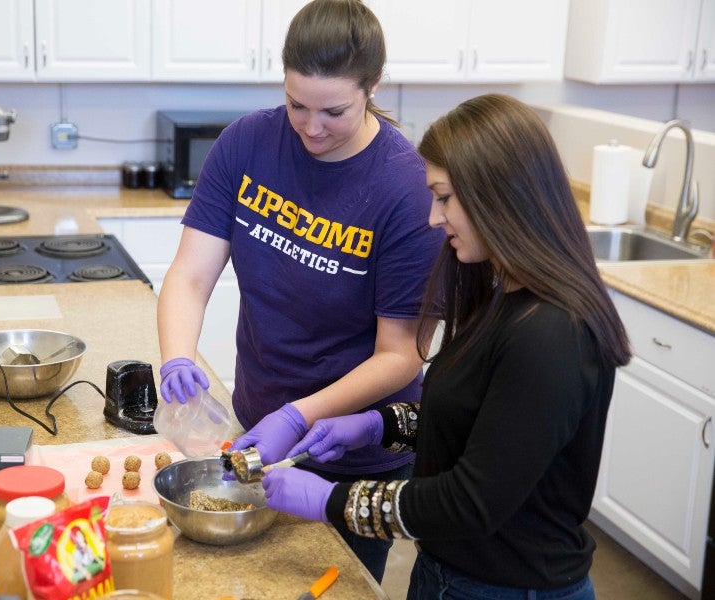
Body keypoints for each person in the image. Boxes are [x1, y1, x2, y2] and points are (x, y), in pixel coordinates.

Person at [260, 93, 632, 600]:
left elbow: (470, 502)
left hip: (508, 589)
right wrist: (380, 425)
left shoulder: (552, 334)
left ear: (499, 195)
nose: (434, 219)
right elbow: (480, 420)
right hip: (448, 576)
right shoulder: (506, 295)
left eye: (445, 197)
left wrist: (333, 500)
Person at [156, 0, 443, 581]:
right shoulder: (247, 144)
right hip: (253, 431)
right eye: (296, 105)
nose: (311, 127)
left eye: (333, 111)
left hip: (354, 456)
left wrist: (300, 415)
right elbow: (189, 274)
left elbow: (401, 353)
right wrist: (177, 355)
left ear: (373, 87)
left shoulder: (405, 188)